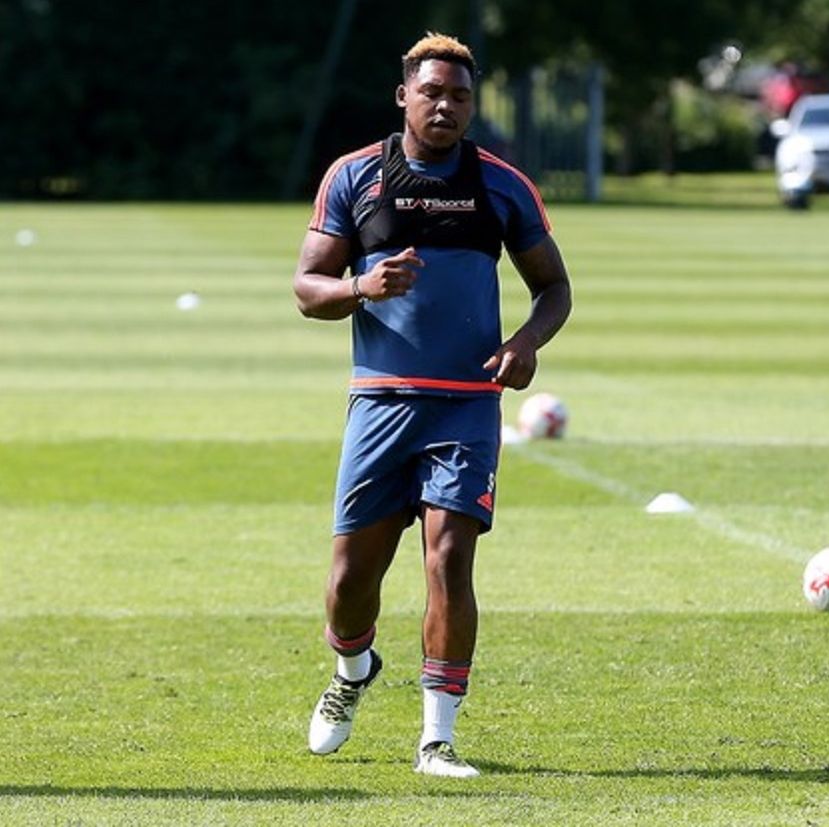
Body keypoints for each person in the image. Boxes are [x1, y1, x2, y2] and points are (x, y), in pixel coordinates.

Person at [293, 32, 571, 778]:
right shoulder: (354, 177)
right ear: (403, 96)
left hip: (467, 407)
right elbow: (307, 289)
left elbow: (554, 286)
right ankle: (352, 671)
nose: (445, 105)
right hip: (381, 406)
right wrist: (362, 286)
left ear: (471, 104)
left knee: (449, 559)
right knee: (351, 584)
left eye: (459, 95)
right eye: (432, 92)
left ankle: (436, 738)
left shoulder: (502, 186)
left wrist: (526, 342)